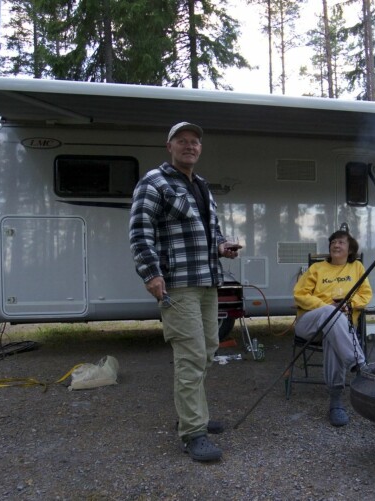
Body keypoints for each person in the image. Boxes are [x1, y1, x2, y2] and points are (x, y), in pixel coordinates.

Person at [129, 122, 241, 462]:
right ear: (170, 146)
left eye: (194, 142)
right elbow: (139, 231)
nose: (190, 146)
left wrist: (223, 246)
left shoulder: (202, 186)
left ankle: (195, 414)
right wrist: (151, 273)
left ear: (200, 149)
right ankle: (193, 431)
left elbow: (213, 231)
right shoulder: (154, 182)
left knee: (207, 349)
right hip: (177, 283)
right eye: (183, 141)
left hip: (207, 281)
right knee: (191, 355)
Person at [293, 230, 371, 427]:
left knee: (333, 335)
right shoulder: (317, 268)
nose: (336, 245)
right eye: (333, 242)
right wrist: (327, 308)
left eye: (341, 243)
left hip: (337, 330)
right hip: (310, 324)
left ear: (350, 249)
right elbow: (300, 294)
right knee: (331, 315)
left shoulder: (357, 267)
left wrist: (348, 305)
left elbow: (366, 295)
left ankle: (336, 402)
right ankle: (359, 363)